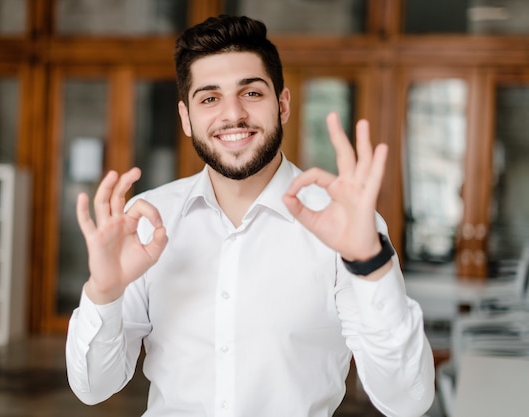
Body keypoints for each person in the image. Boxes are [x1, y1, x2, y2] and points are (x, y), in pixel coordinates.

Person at [66, 14, 435, 417]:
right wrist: (104, 292)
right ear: (187, 118)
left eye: (252, 93)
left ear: (283, 104)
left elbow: (408, 401)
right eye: (209, 98)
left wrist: (371, 264)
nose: (233, 115)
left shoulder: (345, 228)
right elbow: (94, 389)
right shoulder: (148, 221)